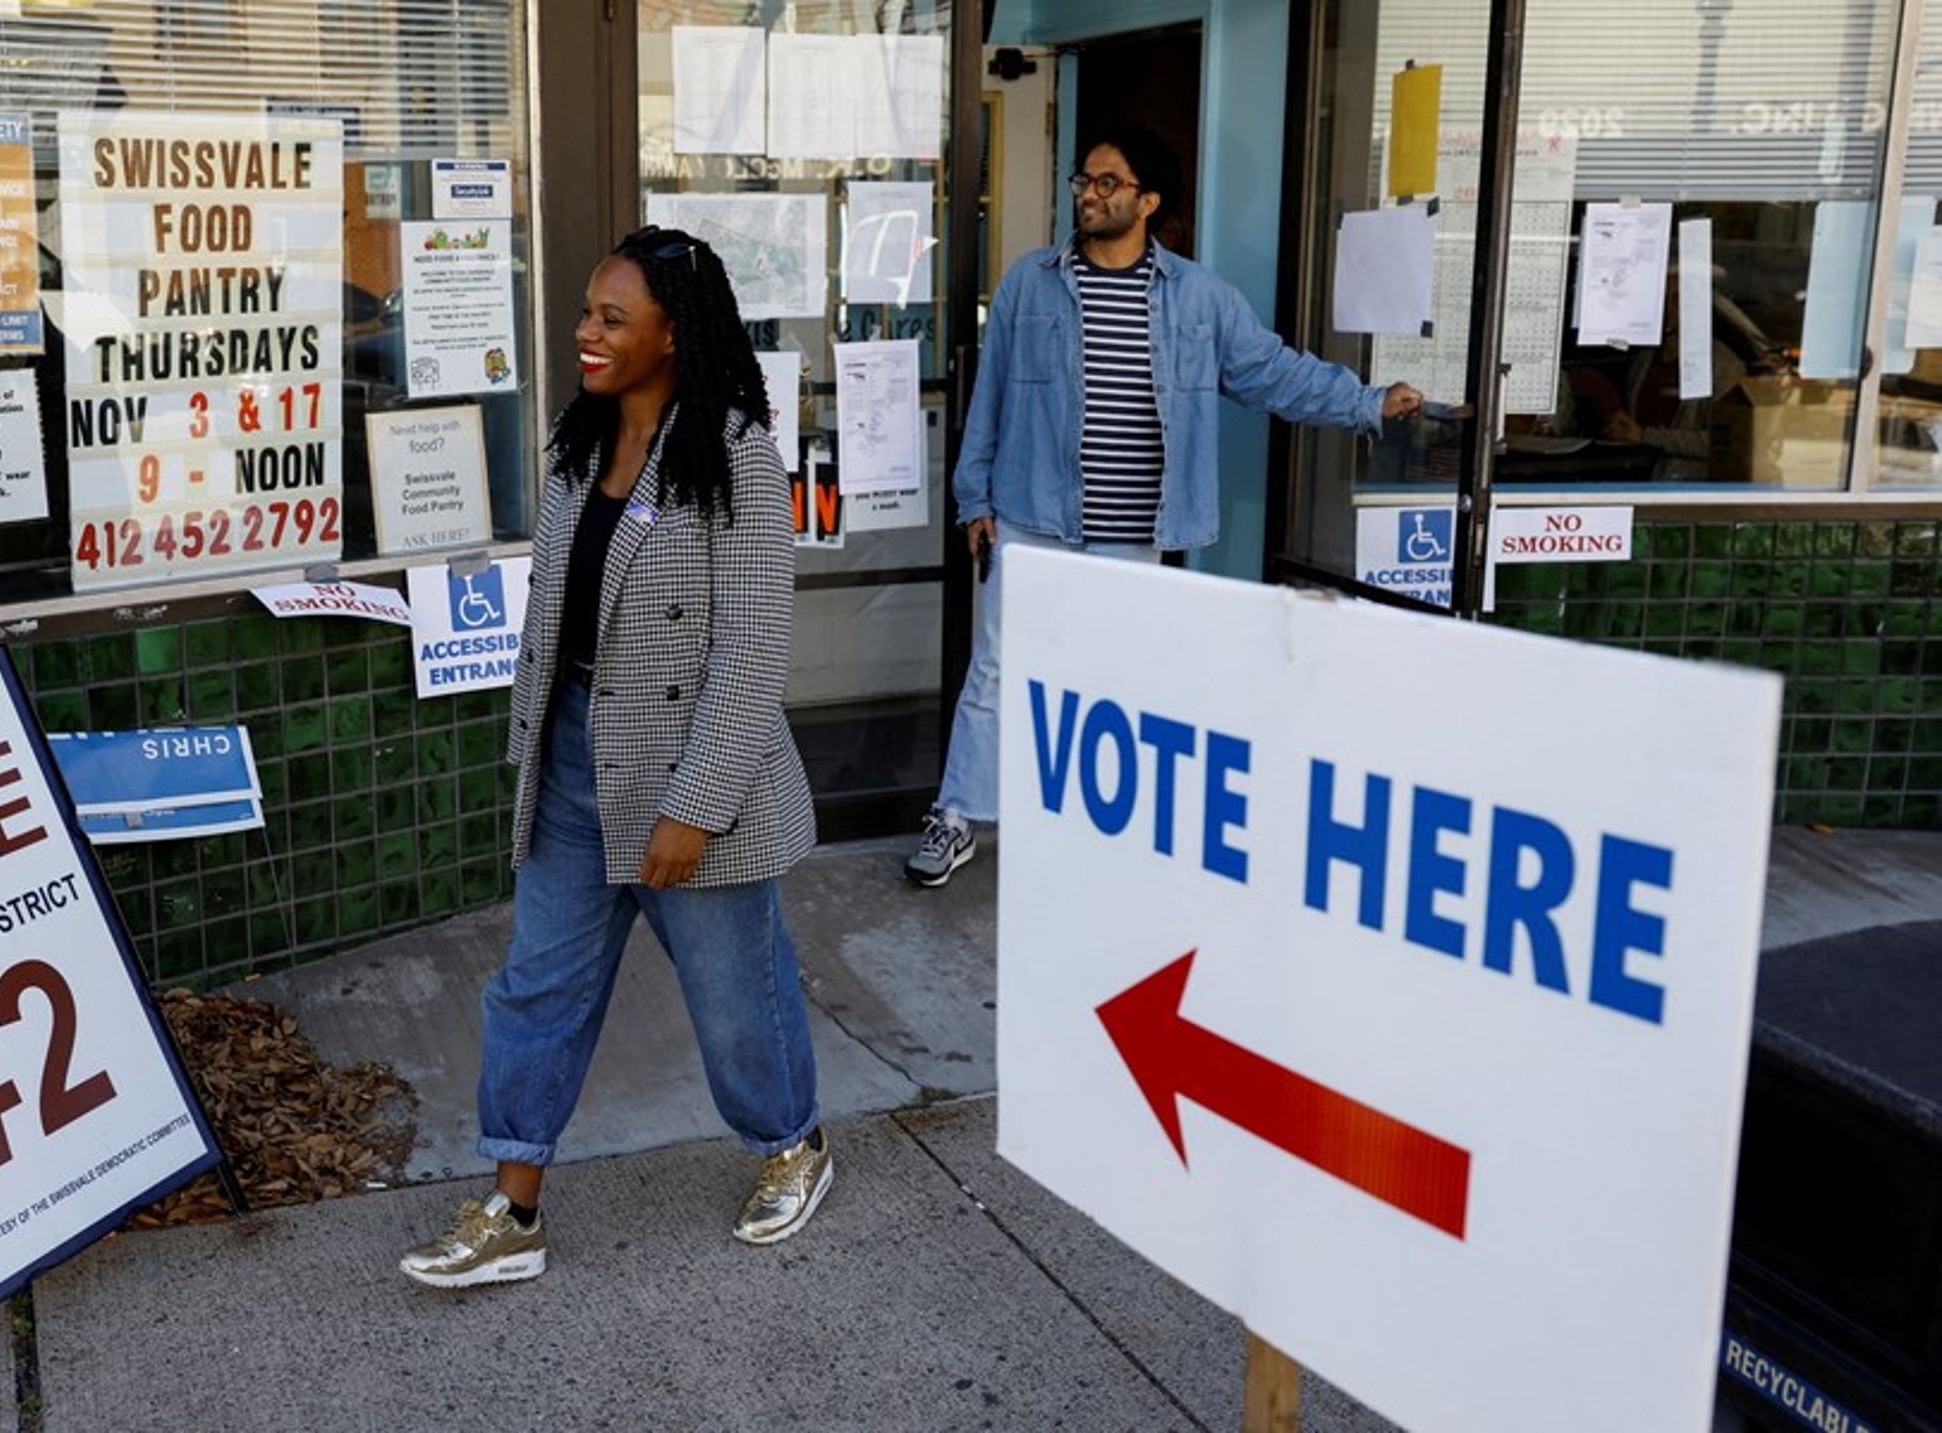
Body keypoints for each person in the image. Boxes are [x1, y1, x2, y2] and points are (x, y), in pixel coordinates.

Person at [400, 227, 827, 1288]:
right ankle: (513, 1206)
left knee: (734, 997)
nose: (585, 332)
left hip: (690, 770)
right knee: (535, 985)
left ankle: (792, 1142)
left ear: (672, 334)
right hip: (574, 758)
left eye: (611, 318)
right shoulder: (579, 443)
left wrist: (695, 803)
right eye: (587, 312)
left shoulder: (734, 452)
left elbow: (752, 647)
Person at [904, 121, 1424, 887]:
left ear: (1146, 201)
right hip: (1032, 516)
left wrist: (1367, 402)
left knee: (1113, 679)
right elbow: (991, 396)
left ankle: (1093, 826)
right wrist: (973, 496)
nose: (1088, 194)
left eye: (1106, 182)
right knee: (998, 670)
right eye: (1083, 180)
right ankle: (958, 815)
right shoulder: (1028, 284)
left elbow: (1273, 372)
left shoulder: (1200, 298)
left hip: (1134, 530)